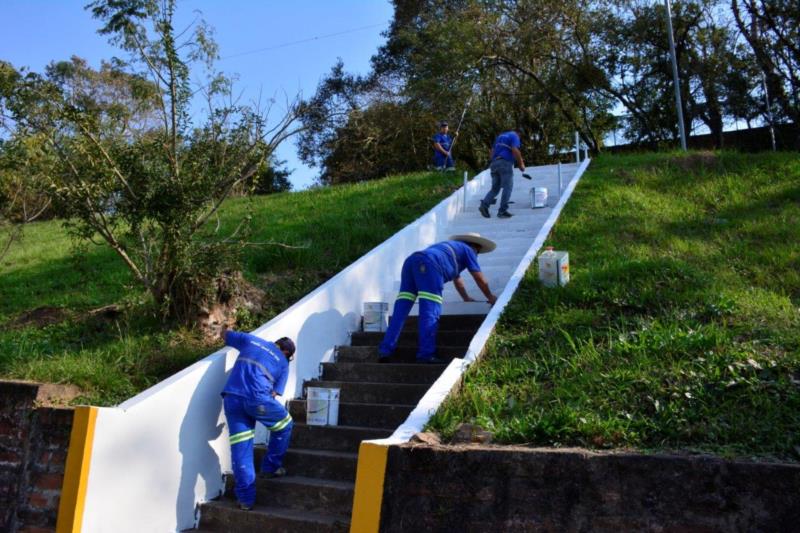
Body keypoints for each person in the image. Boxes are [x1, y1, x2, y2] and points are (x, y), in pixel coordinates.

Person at [378, 233, 497, 364]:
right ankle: (426, 354)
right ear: (476, 247)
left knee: (400, 311)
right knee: (430, 312)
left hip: (411, 262)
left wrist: (466, 297)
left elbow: (457, 279)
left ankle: (385, 350)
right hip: (430, 266)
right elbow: (478, 277)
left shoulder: (448, 249)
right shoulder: (469, 250)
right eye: (478, 253)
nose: (476, 256)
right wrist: (490, 297)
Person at [219, 326, 296, 511]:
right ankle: (270, 467)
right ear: (286, 352)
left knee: (242, 447)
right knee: (285, 426)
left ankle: (245, 499)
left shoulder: (251, 340)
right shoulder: (284, 363)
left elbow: (224, 334)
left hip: (232, 397)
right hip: (257, 399)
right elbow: (275, 393)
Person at [479, 130, 526, 219]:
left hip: (494, 163)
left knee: (495, 188)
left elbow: (491, 152)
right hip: (505, 163)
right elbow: (515, 150)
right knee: (508, 187)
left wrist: (494, 162)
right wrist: (521, 164)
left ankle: (484, 205)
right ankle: (502, 211)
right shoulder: (514, 136)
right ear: (519, 134)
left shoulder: (500, 137)